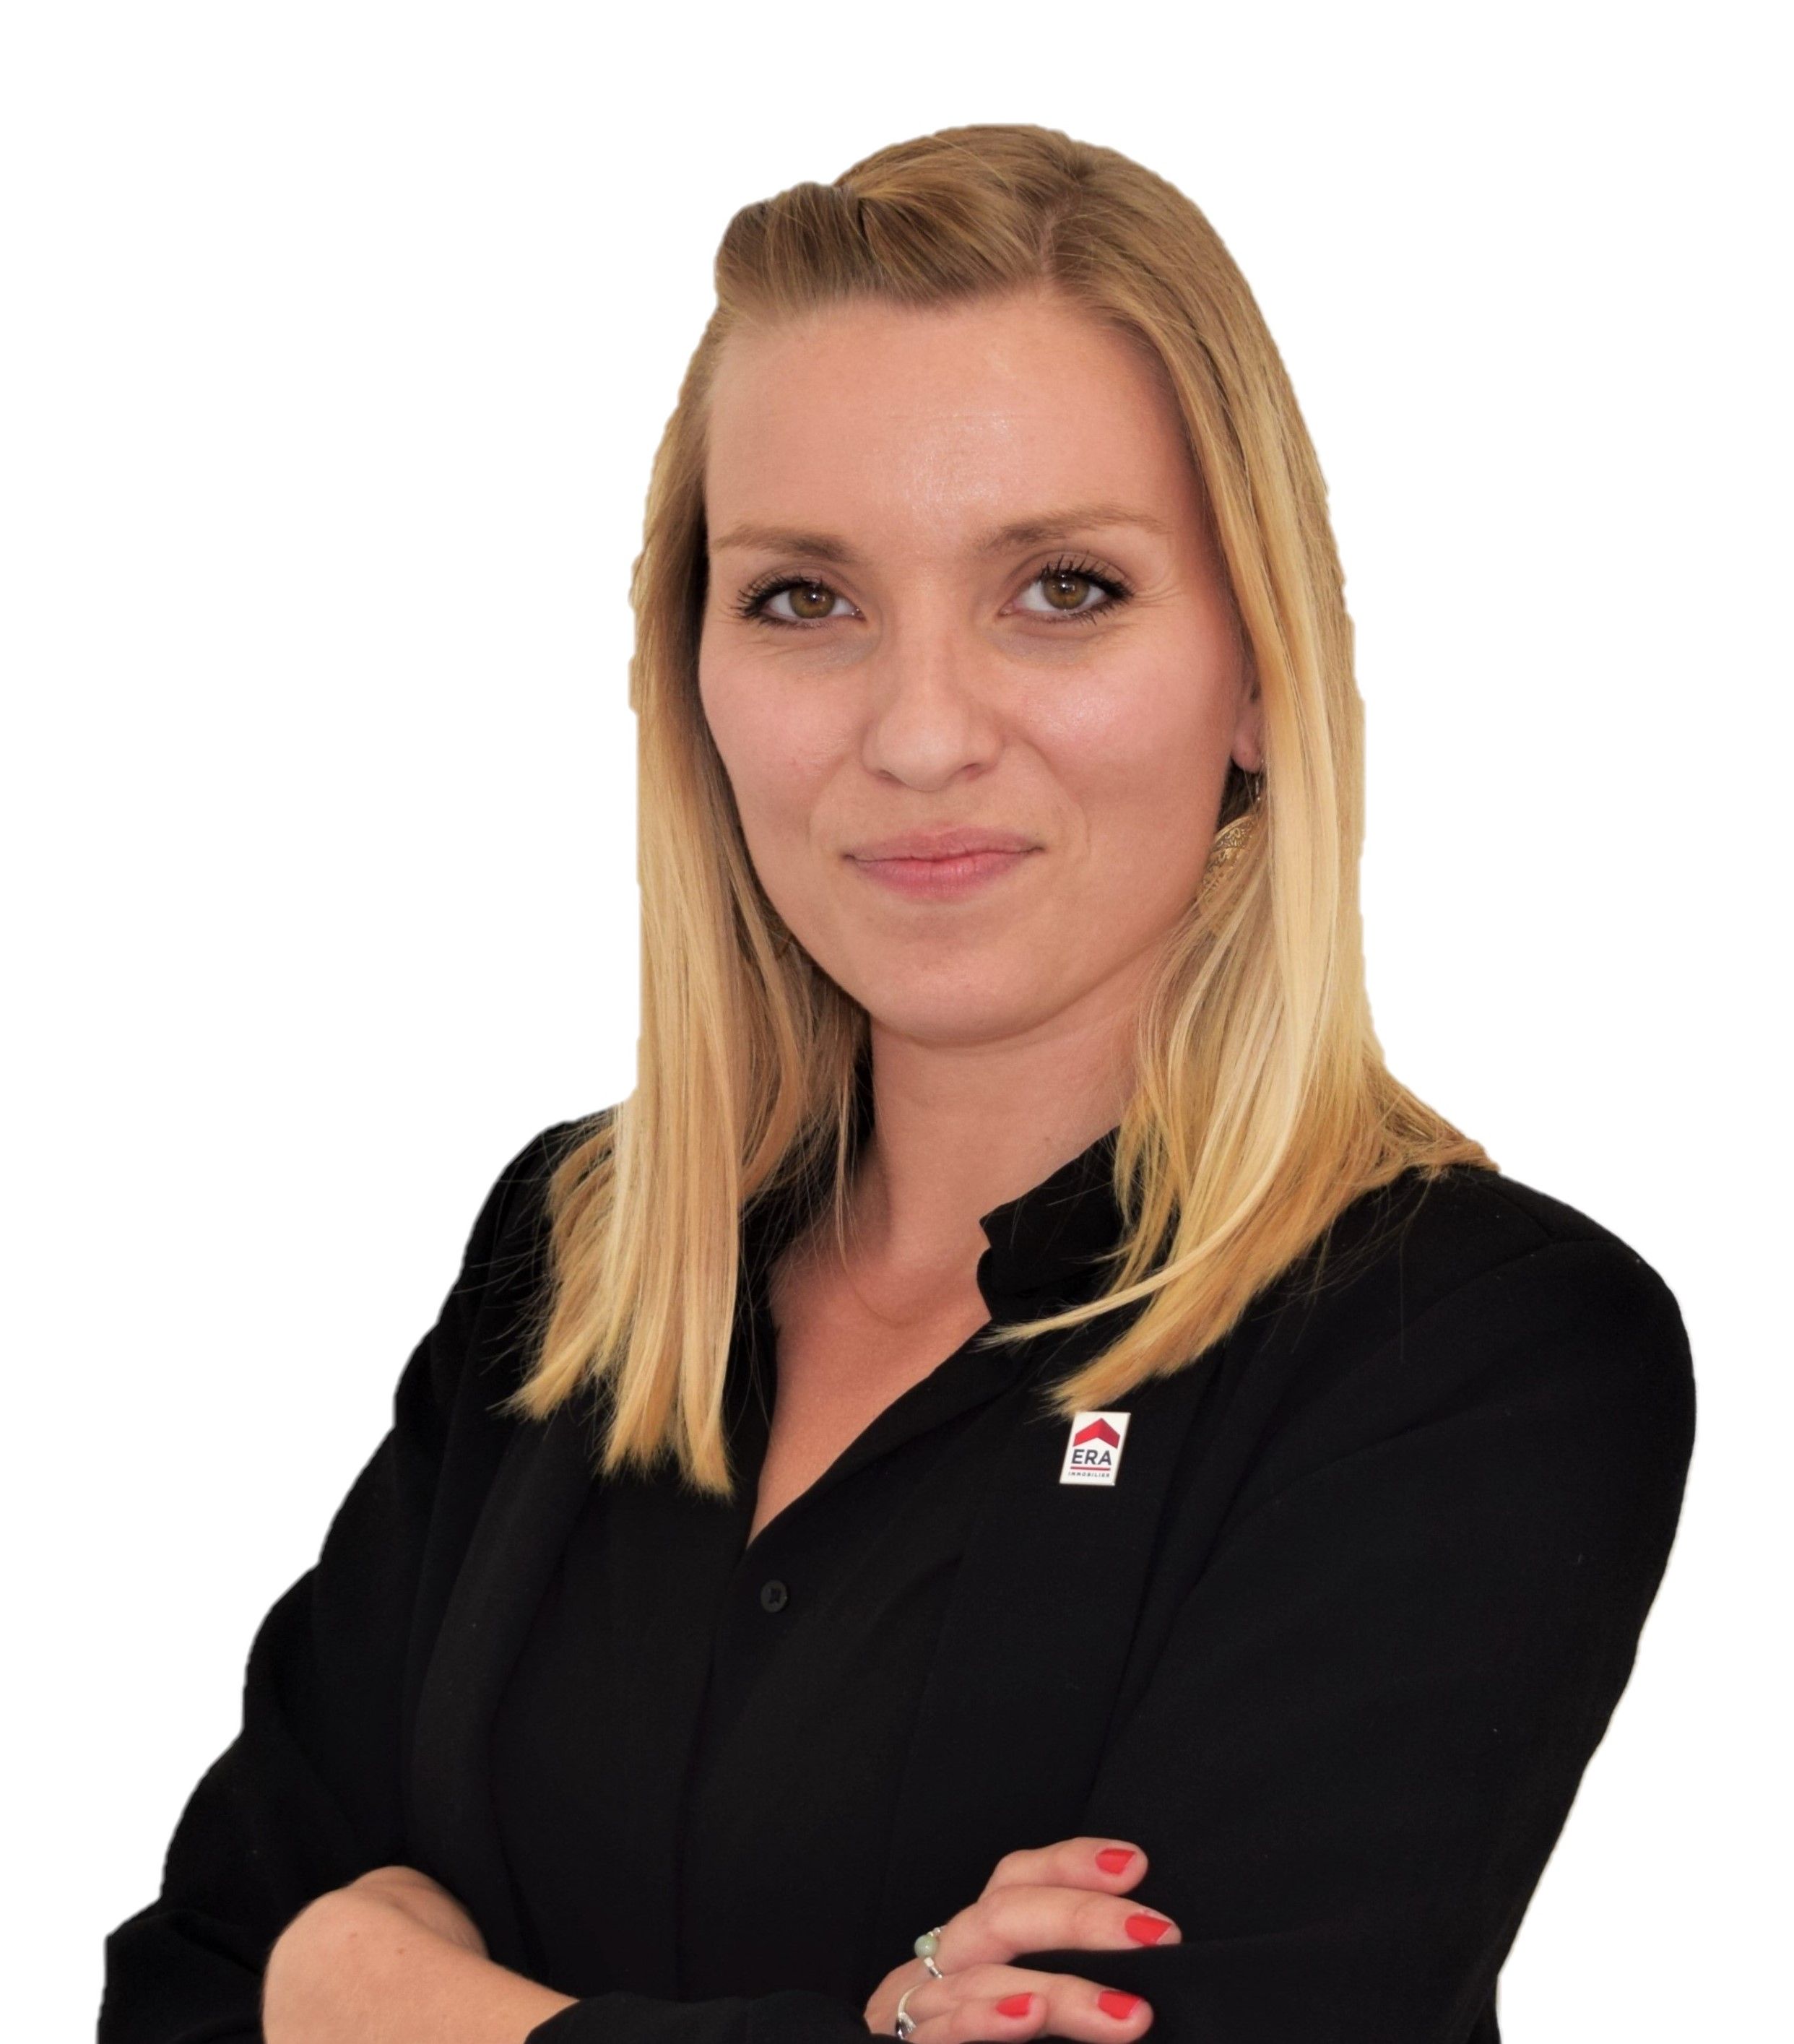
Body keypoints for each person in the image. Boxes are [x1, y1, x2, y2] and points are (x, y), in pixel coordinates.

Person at [100, 123, 1696, 2044]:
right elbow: (186, 1992)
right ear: (690, 675)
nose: (922, 732)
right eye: (805, 599)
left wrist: (383, 1998)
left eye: (1064, 589)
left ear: (1262, 669)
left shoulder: (1471, 1347)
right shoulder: (574, 1261)